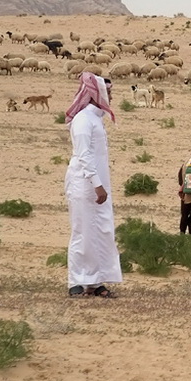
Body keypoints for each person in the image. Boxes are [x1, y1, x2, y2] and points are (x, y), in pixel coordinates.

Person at [64, 72, 122, 298]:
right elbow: (84, 155)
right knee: (83, 231)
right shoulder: (83, 120)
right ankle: (76, 281)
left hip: (99, 186)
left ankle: (96, 281)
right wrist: (97, 184)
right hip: (84, 184)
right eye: (108, 92)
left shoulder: (96, 119)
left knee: (101, 231)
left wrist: (101, 185)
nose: (111, 97)